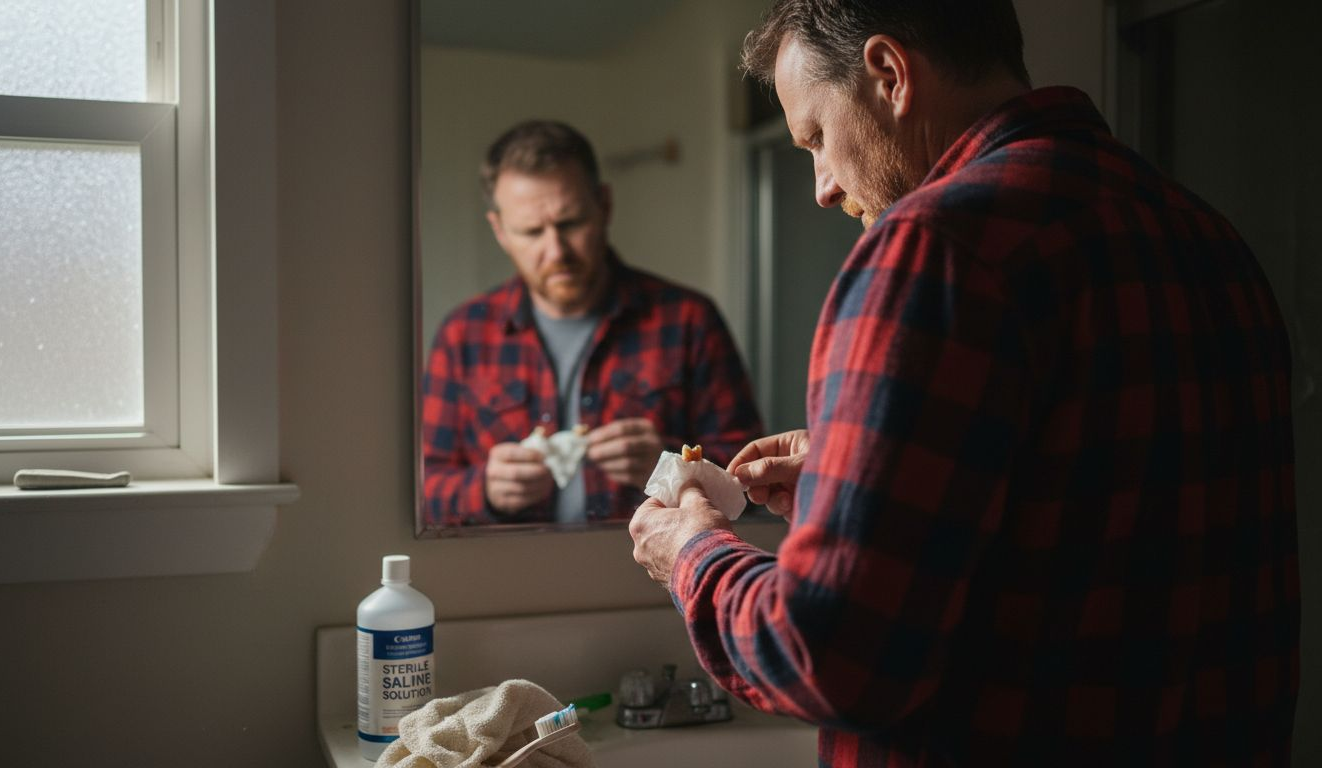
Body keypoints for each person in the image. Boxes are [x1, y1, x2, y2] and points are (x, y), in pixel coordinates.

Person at [629, 1, 1299, 765]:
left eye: (816, 137)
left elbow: (835, 657)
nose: (820, 185)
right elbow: (1106, 514)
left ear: (889, 75)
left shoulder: (929, 250)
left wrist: (693, 552)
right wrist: (869, 472)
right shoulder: (1205, 236)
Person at [420, 120, 762, 527]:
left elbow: (750, 483)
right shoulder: (463, 336)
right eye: (531, 232)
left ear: (603, 205)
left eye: (570, 223)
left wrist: (668, 466)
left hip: (657, 579)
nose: (556, 250)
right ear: (500, 231)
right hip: (503, 580)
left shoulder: (688, 321)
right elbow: (424, 489)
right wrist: (485, 490)